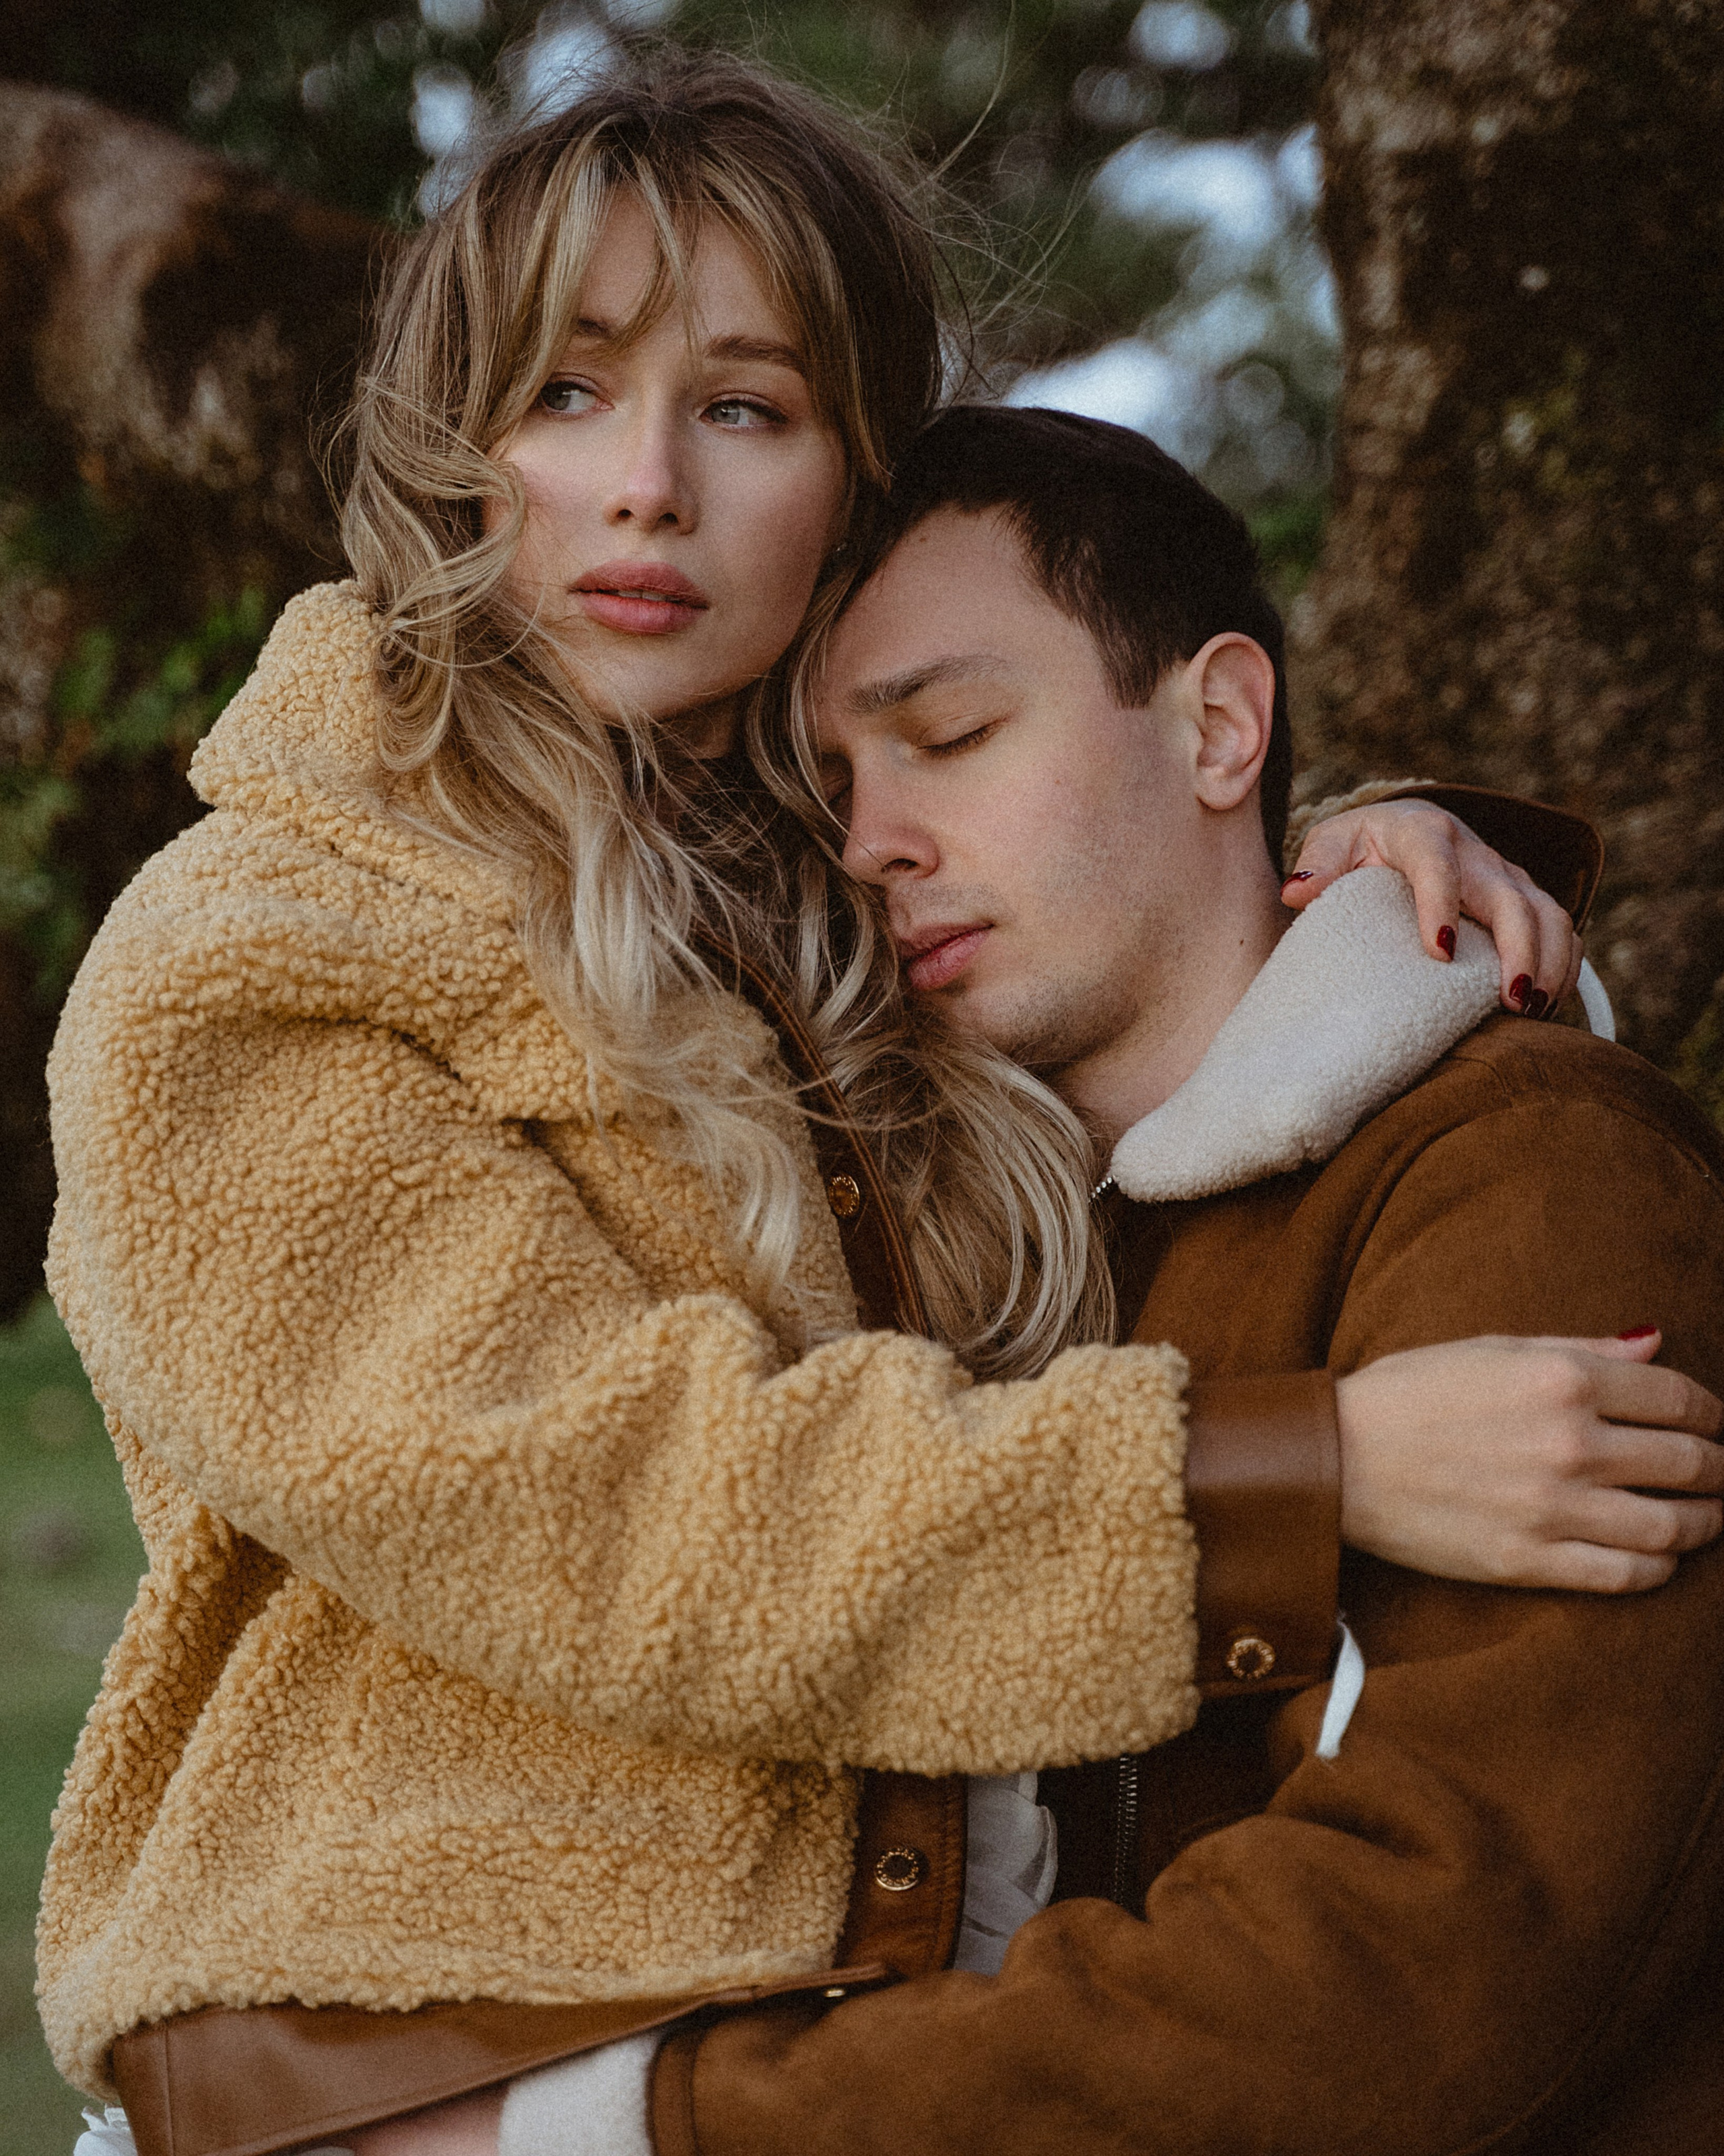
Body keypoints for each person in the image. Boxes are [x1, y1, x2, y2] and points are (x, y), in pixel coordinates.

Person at [40, 54, 1721, 2156]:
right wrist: (1297, 1478)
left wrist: (1376, 872)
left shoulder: (830, 910)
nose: (649, 482)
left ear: (848, 481)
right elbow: (609, 1505)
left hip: (831, 2053)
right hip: (437, 2081)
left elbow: (1151, 895)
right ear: (448, 448)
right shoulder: (257, 949)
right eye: (564, 392)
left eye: (745, 407)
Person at [641, 404, 1724, 2156]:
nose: (872, 840)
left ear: (1222, 720)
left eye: (950, 733)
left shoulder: (1531, 1169)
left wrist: (665, 2123)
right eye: (836, 782)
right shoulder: (973, 1234)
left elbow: (1408, 1996)